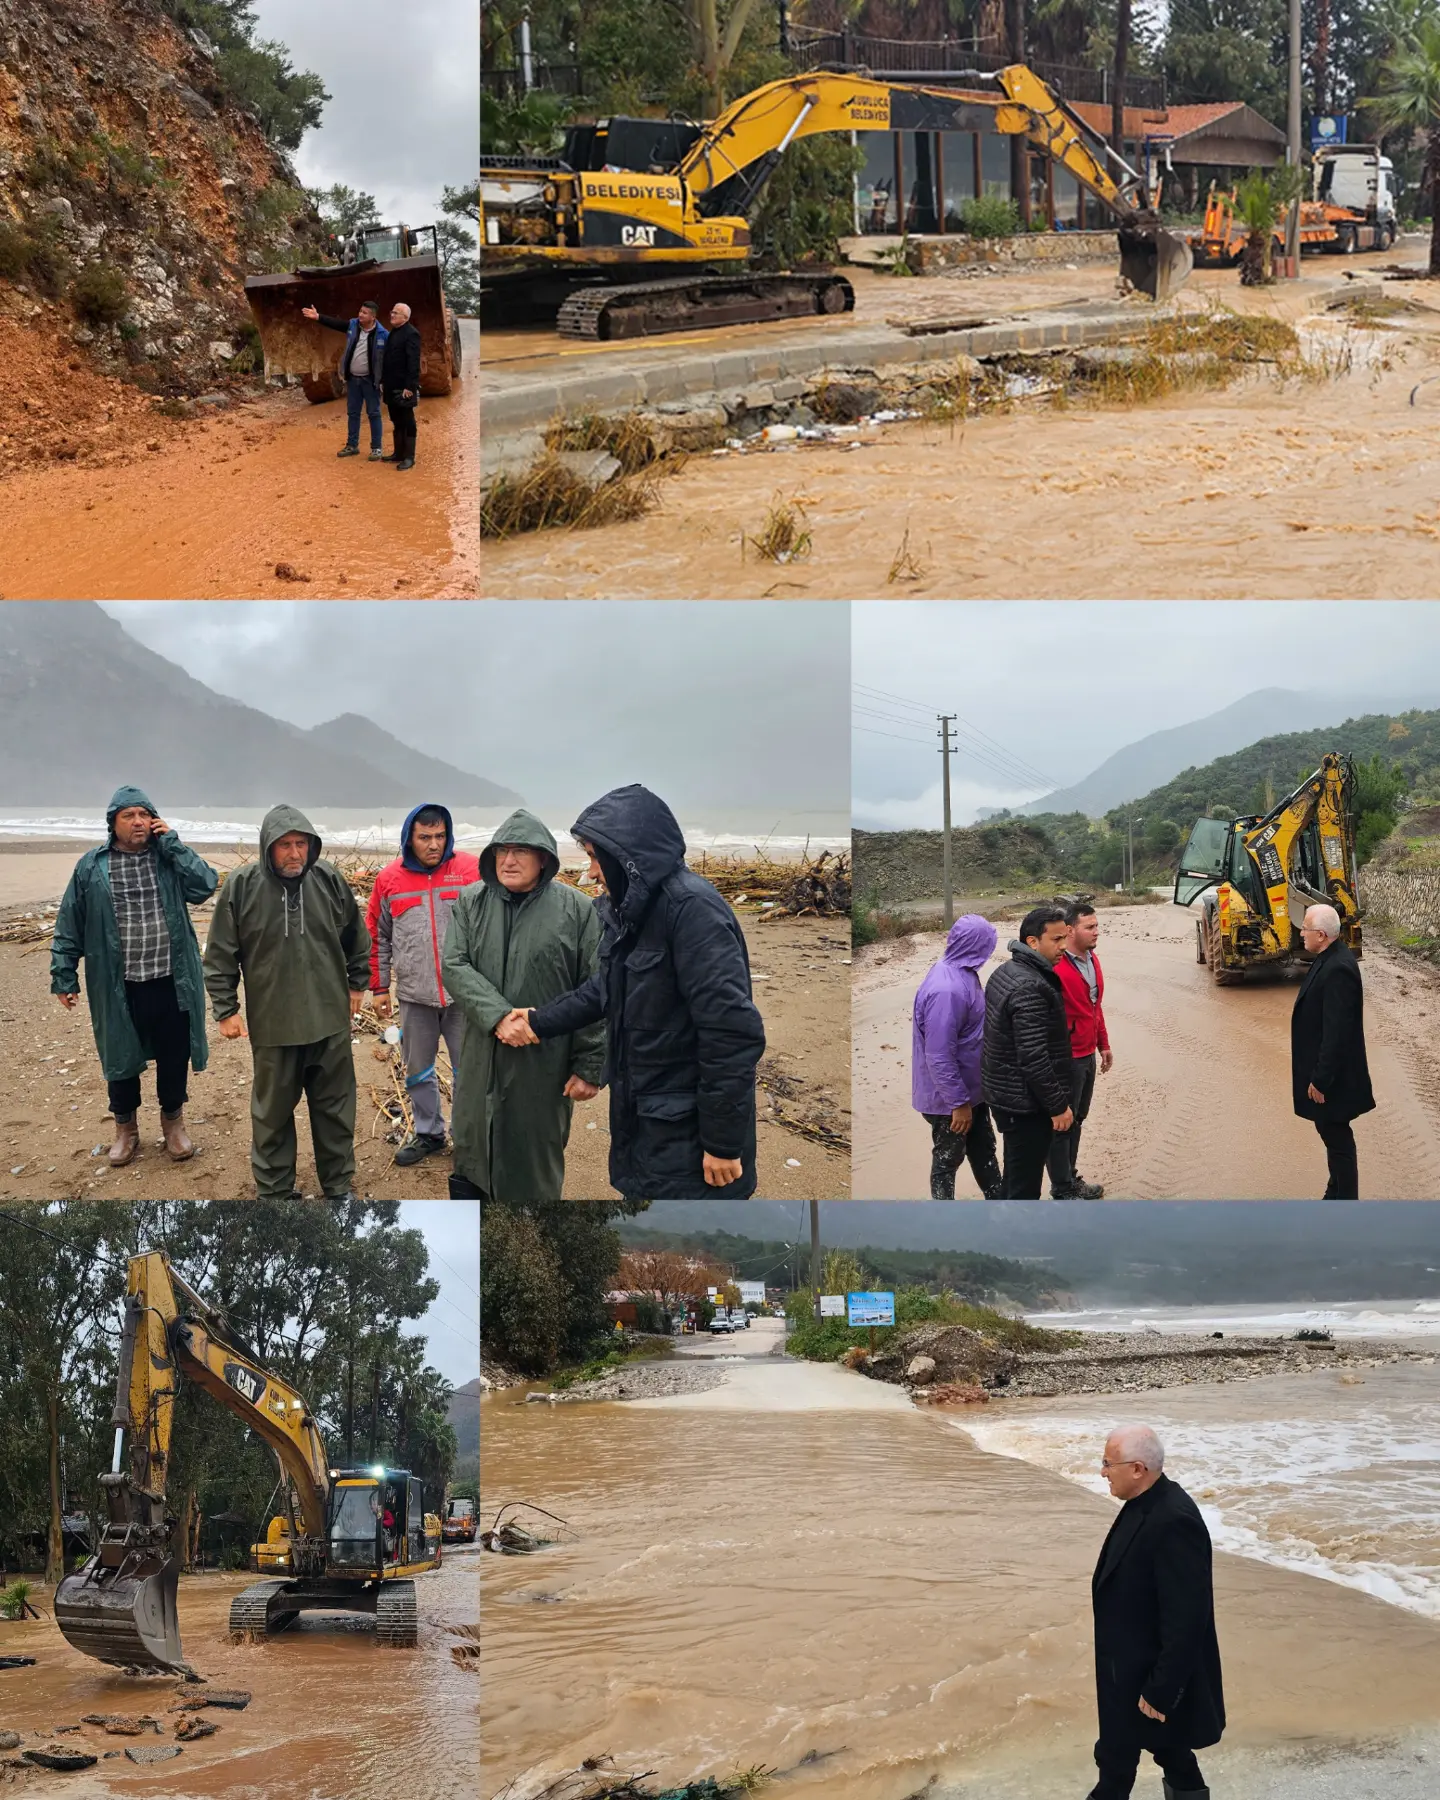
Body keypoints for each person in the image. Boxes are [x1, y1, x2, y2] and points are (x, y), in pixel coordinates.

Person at [509, 784, 766, 1200]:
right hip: (648, 1121)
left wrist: (722, 1143)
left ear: (626, 857)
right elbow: (604, 989)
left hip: (691, 1135)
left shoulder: (692, 912)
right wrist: (538, 1020)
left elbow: (732, 1034)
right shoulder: (635, 910)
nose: (591, 872)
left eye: (594, 858)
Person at [203, 805, 371, 1201]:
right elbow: (221, 953)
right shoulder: (241, 886)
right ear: (268, 848)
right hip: (273, 1025)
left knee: (335, 1110)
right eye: (285, 845)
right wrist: (225, 1009)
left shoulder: (328, 879)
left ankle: (338, 1185)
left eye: (301, 844)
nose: (295, 853)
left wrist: (357, 984)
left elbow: (355, 937)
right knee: (272, 1114)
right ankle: (275, 1191)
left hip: (330, 1020)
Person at [440, 810, 605, 1202]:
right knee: (472, 1150)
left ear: (544, 858)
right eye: (501, 851)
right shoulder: (470, 902)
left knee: (535, 1160)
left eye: (520, 852)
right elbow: (454, 965)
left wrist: (590, 1066)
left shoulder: (577, 911)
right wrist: (497, 1016)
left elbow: (596, 990)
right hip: (482, 1056)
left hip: (544, 1063)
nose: (508, 861)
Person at [50, 786, 217, 1167]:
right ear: (113, 823)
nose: (138, 821)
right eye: (129, 815)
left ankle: (173, 1124)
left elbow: (205, 884)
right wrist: (64, 974)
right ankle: (125, 1129)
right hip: (117, 983)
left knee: (175, 1054)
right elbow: (69, 922)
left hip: (172, 978)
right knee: (119, 1056)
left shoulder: (168, 859)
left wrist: (172, 842)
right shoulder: (92, 866)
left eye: (145, 814)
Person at [1090, 1425, 1224, 1800]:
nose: (1102, 1472)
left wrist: (1164, 1688)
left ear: (1137, 1469)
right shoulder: (1144, 1502)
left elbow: (1188, 1616)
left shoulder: (1174, 1520)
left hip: (1147, 1677)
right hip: (1128, 1671)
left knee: (1115, 1771)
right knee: (1171, 1752)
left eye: (1107, 1463)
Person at [366, 803, 482, 1167]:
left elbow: (492, 927)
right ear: (409, 838)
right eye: (424, 837)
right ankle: (429, 1133)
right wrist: (380, 987)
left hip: (465, 995)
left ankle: (469, 1140)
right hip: (414, 996)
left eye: (440, 836)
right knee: (418, 1070)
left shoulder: (469, 871)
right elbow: (377, 935)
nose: (434, 845)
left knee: (471, 1071)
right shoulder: (389, 880)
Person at [980, 905, 1074, 1198]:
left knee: (1016, 1175)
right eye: (1056, 940)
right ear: (1032, 942)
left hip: (1007, 1096)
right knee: (1025, 1189)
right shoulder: (1030, 986)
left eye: (1065, 938)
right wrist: (1057, 1105)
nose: (1063, 947)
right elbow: (1033, 1056)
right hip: (1025, 1105)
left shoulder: (1007, 970)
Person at [911, 914, 1003, 1199]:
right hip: (949, 1100)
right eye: (988, 945)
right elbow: (938, 1054)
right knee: (948, 1158)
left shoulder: (962, 972)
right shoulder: (946, 990)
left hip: (971, 1093)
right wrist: (958, 1103)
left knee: (984, 1148)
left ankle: (1000, 1204)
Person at [1291, 901, 1374, 1199]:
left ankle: (1345, 1206)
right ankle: (1335, 1193)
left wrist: (1321, 1080)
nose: (1301, 932)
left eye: (1307, 928)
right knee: (1333, 1137)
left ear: (1322, 935)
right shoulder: (1329, 957)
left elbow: (1337, 1033)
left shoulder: (1338, 968)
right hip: (1328, 1075)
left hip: (1332, 1080)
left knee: (1338, 1140)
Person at [1047, 898, 1113, 1199]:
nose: (1097, 931)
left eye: (1097, 925)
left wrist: (1104, 1045)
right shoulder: (1056, 968)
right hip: (1066, 1059)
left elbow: (1094, 1007)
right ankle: (1063, 1188)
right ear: (1071, 930)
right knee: (1063, 1123)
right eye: (1090, 927)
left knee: (1079, 1119)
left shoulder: (1093, 960)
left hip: (1086, 1055)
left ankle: (1070, 1178)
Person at [300, 298, 387, 460]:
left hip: (370, 381)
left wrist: (385, 382)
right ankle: (352, 445)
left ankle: (376, 448)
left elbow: (388, 360)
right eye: (360, 311)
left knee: (374, 413)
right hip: (353, 380)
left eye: (364, 313)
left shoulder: (383, 335)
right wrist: (318, 317)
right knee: (353, 413)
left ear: (373, 317)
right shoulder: (353, 326)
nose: (360, 315)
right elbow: (337, 324)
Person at [379, 301, 422, 471]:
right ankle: (398, 453)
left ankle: (409, 457)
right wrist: (383, 381)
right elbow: (387, 360)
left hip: (404, 387)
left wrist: (410, 387)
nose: (391, 315)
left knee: (407, 420)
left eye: (395, 313)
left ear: (405, 317)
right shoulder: (393, 333)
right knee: (396, 419)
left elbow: (413, 363)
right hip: (391, 385)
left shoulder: (411, 334)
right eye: (392, 311)